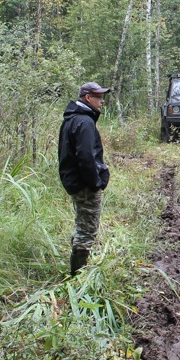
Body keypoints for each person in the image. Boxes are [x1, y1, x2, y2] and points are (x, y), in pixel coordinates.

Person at [58, 82, 111, 276]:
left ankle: (78, 270)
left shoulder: (73, 119)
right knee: (86, 232)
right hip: (84, 185)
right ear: (88, 98)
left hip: (74, 182)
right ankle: (78, 279)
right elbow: (86, 157)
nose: (102, 101)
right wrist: (96, 182)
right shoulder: (84, 122)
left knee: (82, 226)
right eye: (99, 97)